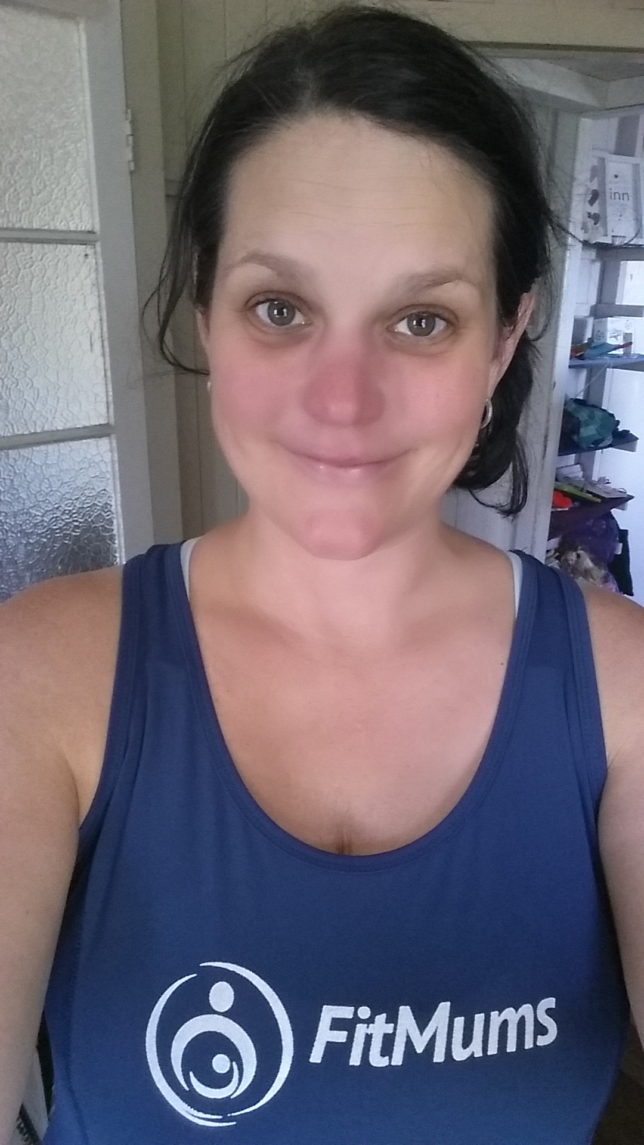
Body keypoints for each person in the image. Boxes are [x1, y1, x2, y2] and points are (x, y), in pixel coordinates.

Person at [2, 5, 644, 1143]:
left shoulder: (622, 685)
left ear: (504, 339)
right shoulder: (42, 673)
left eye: (421, 319)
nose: (342, 401)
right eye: (280, 308)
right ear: (206, 309)